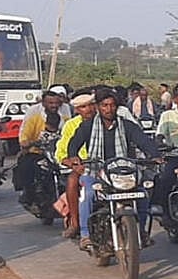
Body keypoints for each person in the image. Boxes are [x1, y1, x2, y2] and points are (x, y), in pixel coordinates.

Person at [64, 88, 160, 251]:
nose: (109, 109)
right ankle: (86, 235)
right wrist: (73, 156)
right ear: (98, 107)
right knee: (87, 194)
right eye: (104, 105)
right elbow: (74, 143)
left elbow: (143, 141)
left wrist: (155, 155)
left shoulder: (127, 125)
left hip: (124, 171)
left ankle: (141, 231)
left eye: (112, 105)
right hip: (95, 171)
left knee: (142, 193)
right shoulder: (87, 126)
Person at [56, 90, 97, 239]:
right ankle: (75, 222)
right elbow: (63, 152)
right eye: (84, 107)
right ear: (77, 110)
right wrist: (73, 164)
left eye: (91, 105)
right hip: (84, 166)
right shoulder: (71, 125)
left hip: (108, 166)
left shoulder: (106, 120)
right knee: (72, 181)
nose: (89, 109)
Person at [15, 91, 65, 198]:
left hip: (59, 154)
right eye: (50, 103)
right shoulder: (34, 118)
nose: (54, 106)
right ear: (43, 103)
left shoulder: (65, 117)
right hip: (38, 153)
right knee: (27, 167)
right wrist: (30, 143)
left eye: (56, 103)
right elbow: (24, 138)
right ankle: (30, 194)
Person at [151, 86, 178, 210]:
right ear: (175, 100)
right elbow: (160, 134)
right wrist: (161, 143)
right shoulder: (167, 116)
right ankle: (164, 210)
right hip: (175, 156)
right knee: (167, 178)